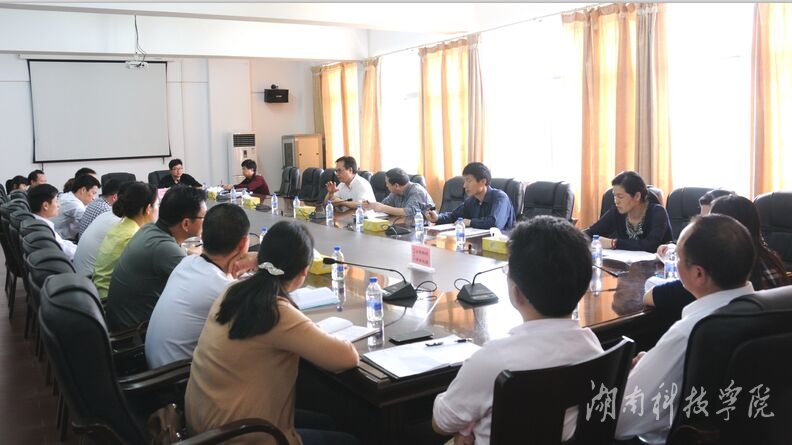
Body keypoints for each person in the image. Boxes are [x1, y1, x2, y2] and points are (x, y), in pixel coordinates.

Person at [432, 216, 604, 445]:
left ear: (516, 293)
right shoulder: (592, 347)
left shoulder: (492, 360)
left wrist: (465, 428)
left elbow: (442, 423)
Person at [185, 220, 360, 445]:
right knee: (349, 440)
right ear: (304, 270)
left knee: (326, 422)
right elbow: (346, 358)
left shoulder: (233, 290)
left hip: (205, 428)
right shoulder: (275, 312)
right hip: (240, 436)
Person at [615, 214, 756, 444]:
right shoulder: (767, 310)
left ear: (698, 274)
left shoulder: (690, 333)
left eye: (678, 257)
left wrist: (632, 374)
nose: (674, 261)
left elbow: (621, 420)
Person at [146, 204, 257, 368]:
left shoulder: (187, 262)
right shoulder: (223, 289)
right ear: (243, 243)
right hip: (177, 376)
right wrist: (258, 259)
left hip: (155, 367)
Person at [644, 194, 789, 320]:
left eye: (710, 221)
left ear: (724, 228)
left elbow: (651, 296)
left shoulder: (718, 273)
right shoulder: (770, 259)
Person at [105, 185, 206, 331]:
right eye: (203, 217)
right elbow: (203, 289)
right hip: (135, 332)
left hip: (121, 319)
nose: (206, 221)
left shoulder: (149, 229)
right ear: (185, 223)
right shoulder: (164, 248)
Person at [92, 182, 159, 298]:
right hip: (110, 299)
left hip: (100, 292)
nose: (159, 208)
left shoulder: (122, 226)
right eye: (157, 204)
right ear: (148, 208)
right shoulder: (134, 235)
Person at [584, 171, 672, 252]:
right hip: (624, 263)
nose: (616, 201)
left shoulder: (658, 212)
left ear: (637, 196)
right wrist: (576, 237)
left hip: (657, 264)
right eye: (614, 196)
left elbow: (651, 245)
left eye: (620, 197)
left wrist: (614, 243)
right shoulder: (616, 212)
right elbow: (590, 233)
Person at [425, 162, 515, 230]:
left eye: (468, 181)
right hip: (478, 243)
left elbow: (495, 223)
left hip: (501, 246)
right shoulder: (471, 201)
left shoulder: (500, 198)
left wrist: (470, 222)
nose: (464, 186)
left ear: (483, 182)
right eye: (464, 181)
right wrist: (437, 218)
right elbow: (453, 216)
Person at [27, 184, 77, 259]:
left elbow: (62, 243)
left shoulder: (35, 221)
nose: (58, 205)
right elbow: (64, 250)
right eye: (56, 201)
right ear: (45, 206)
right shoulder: (43, 227)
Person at [362, 168, 434, 217]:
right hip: (404, 225)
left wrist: (381, 207)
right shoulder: (395, 192)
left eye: (387, 183)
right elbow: (384, 204)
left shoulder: (417, 192)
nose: (386, 185)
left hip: (424, 228)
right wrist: (372, 205)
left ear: (396, 185)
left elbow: (408, 213)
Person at [51, 174, 101, 241]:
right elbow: (89, 223)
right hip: (59, 240)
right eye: (93, 193)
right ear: (83, 190)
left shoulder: (67, 196)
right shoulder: (74, 204)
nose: (94, 198)